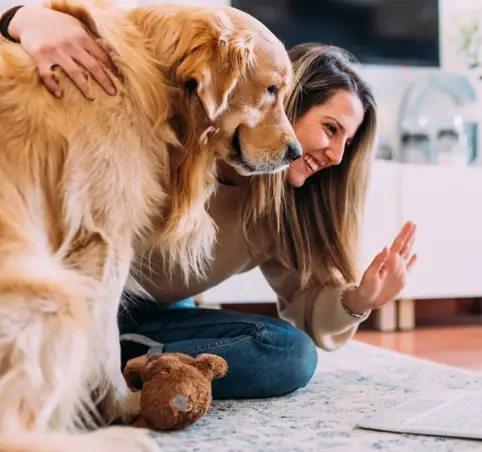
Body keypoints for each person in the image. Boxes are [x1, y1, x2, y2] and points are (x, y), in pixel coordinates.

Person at [2, 4, 418, 400]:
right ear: (286, 101)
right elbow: (118, 40)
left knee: (288, 353)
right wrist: (23, 16)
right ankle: (106, 362)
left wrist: (361, 299)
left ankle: (120, 362)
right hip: (72, 292)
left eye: (348, 142)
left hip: (152, 314)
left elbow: (310, 303)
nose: (338, 155)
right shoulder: (175, 122)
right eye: (331, 129)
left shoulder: (283, 211)